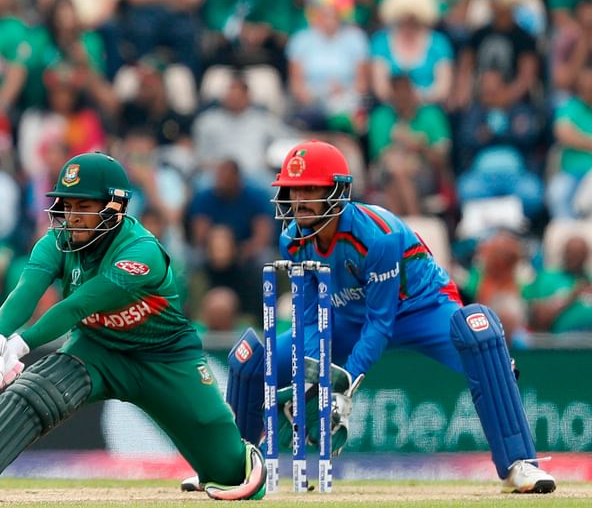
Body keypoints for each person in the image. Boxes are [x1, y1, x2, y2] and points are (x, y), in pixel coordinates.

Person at [221, 140, 557, 494]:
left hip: (419, 307)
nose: (298, 200)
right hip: (346, 315)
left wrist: (342, 385)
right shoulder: (293, 239)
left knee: (480, 335)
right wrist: (311, 377)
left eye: (309, 189)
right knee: (256, 358)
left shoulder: (378, 236)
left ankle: (520, 465)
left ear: (336, 192)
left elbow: (381, 322)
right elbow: (308, 318)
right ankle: (227, 466)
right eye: (292, 190)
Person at [0, 152, 266, 502]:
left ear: (114, 208)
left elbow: (79, 305)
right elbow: (27, 290)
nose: (72, 217)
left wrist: (19, 345)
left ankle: (230, 460)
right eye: (66, 204)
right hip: (97, 349)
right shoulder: (55, 242)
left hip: (165, 357)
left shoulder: (141, 253)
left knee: (231, 473)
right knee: (36, 392)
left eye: (83, 206)